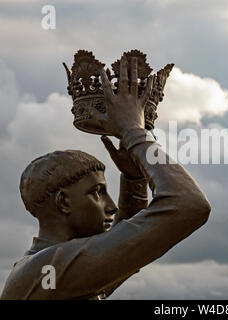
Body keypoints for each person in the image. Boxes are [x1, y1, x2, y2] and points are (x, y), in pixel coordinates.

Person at [0, 56, 211, 299]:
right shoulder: (51, 269)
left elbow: (126, 240)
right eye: (97, 192)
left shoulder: (46, 266)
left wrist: (134, 179)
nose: (111, 206)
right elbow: (189, 205)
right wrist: (135, 134)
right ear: (64, 202)